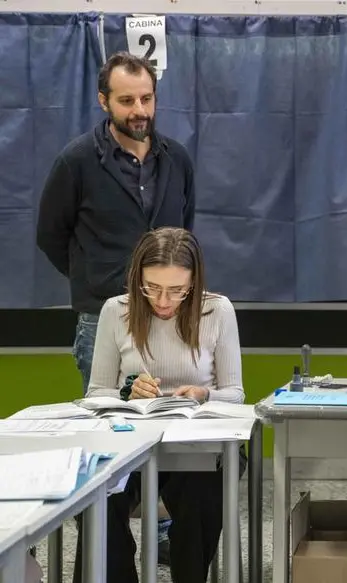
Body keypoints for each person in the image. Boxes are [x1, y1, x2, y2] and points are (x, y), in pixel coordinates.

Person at [35, 50, 196, 556]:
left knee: (173, 430)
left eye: (146, 98)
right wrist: (95, 284)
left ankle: (167, 536)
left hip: (171, 320)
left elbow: (184, 234)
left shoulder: (177, 159)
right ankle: (109, 554)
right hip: (102, 321)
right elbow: (50, 236)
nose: (139, 109)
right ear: (105, 101)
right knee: (111, 441)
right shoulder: (77, 161)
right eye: (127, 100)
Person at [72, 227, 244, 583]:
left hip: (197, 442)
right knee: (94, 498)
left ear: (194, 283)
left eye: (177, 291)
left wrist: (203, 394)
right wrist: (126, 393)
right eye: (152, 288)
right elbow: (97, 394)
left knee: (200, 497)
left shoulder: (217, 310)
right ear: (137, 279)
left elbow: (235, 394)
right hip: (130, 441)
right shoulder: (114, 311)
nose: (163, 301)